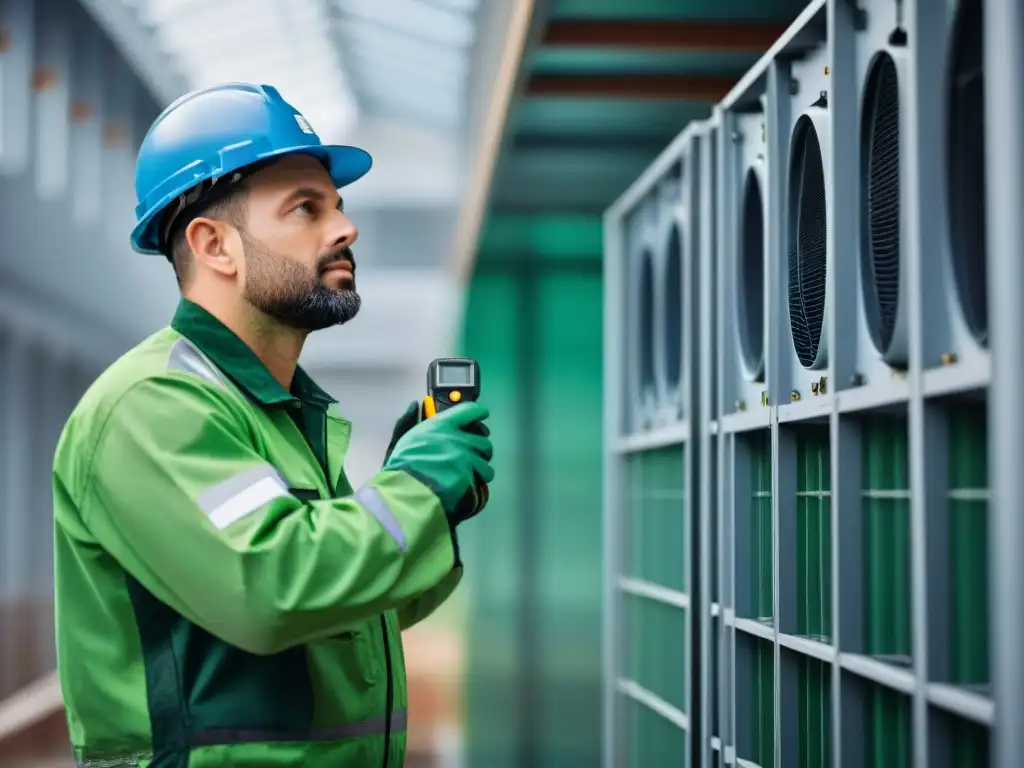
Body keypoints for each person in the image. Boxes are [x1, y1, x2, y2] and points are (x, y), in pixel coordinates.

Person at [51, 83, 494, 768]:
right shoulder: (150, 407)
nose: (345, 228)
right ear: (214, 245)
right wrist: (414, 489)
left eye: (338, 207)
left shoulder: (278, 417)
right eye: (305, 208)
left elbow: (352, 616)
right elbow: (274, 589)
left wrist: (434, 502)